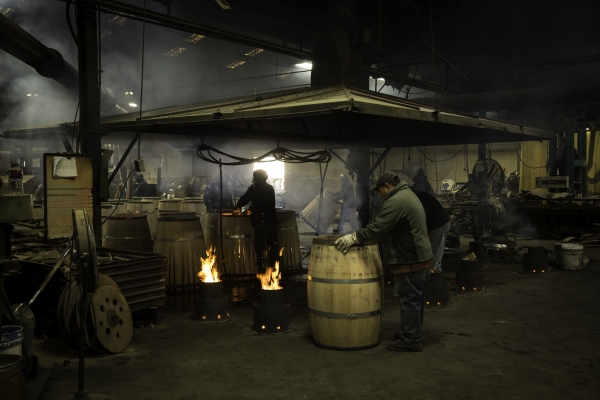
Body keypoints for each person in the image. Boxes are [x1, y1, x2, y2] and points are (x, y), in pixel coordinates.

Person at [335, 171, 433, 352]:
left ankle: (410, 341)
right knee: (415, 299)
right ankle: (410, 332)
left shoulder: (396, 202)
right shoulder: (407, 194)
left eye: (380, 191)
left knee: (408, 300)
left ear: (387, 186)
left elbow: (378, 227)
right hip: (420, 255)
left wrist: (354, 237)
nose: (379, 195)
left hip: (409, 258)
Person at [235, 169, 279, 273]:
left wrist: (237, 206)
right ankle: (274, 272)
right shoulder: (270, 188)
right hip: (273, 222)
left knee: (260, 249)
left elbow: (243, 201)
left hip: (261, 223)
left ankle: (262, 273)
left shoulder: (254, 188)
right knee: (273, 247)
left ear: (256, 178)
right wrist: (252, 207)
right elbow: (264, 202)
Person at [411, 189, 451, 274]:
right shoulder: (417, 195)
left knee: (434, 254)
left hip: (438, 224)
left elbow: (422, 215)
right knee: (435, 252)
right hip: (437, 223)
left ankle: (434, 278)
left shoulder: (415, 198)